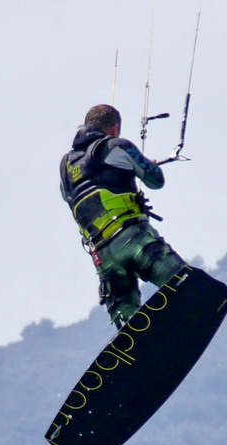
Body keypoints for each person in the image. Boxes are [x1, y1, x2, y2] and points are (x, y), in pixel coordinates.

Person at [59, 103, 189, 328]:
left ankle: (135, 349)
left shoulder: (65, 167)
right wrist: (142, 164)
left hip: (103, 255)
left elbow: (72, 194)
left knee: (127, 323)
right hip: (134, 240)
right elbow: (156, 180)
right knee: (182, 283)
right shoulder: (117, 146)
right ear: (114, 127)